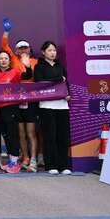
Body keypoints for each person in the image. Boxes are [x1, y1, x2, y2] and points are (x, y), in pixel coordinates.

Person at [1, 32, 40, 171]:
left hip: (31, 101)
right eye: (20, 48)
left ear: (29, 49)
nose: (23, 50)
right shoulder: (13, 60)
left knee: (31, 133)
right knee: (21, 133)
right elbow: (4, 46)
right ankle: (26, 157)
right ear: (16, 51)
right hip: (17, 101)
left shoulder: (36, 62)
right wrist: (6, 32)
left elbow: (39, 78)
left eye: (25, 48)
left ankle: (34, 159)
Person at [33, 41, 72, 175]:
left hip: (62, 105)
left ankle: (64, 165)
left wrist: (68, 94)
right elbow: (40, 82)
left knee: (63, 136)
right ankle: (51, 165)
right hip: (46, 105)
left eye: (54, 50)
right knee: (50, 136)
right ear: (43, 52)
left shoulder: (60, 66)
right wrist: (58, 79)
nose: (52, 53)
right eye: (49, 50)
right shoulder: (39, 67)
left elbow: (66, 82)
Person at [0, 50, 31, 174]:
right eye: (1, 58)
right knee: (5, 135)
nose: (3, 60)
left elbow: (27, 76)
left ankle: (15, 163)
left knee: (12, 134)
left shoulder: (15, 72)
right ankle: (11, 161)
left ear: (9, 61)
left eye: (6, 58)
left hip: (11, 107)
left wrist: (27, 66)